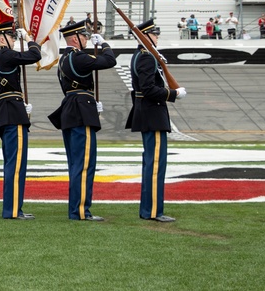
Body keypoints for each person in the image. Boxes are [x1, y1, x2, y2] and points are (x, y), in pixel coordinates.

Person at [48, 21, 116, 221]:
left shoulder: (63, 59)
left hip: (71, 109)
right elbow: (109, 61)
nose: (87, 39)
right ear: (75, 39)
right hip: (81, 111)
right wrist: (104, 45)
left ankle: (76, 209)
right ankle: (81, 211)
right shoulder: (78, 57)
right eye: (84, 36)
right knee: (85, 164)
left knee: (76, 164)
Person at [126, 19, 185, 222]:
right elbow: (148, 89)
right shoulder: (146, 58)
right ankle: (152, 211)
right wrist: (173, 93)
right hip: (153, 115)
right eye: (154, 34)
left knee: (152, 164)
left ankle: (149, 209)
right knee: (155, 165)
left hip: (149, 114)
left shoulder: (141, 56)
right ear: (145, 36)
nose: (157, 37)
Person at [0, 19, 41, 220]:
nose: (13, 39)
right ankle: (12, 210)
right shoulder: (5, 54)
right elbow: (35, 55)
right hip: (12, 110)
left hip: (8, 109)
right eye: (11, 36)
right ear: (2, 39)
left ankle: (14, 208)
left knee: (13, 163)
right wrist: (29, 39)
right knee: (16, 164)